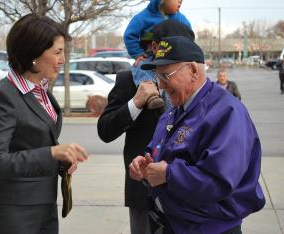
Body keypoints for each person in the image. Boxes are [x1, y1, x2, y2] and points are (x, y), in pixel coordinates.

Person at [129, 36, 266, 234]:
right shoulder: (174, 111)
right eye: (158, 77)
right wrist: (145, 168)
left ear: (193, 70)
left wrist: (168, 174)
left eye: (166, 76)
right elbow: (158, 151)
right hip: (172, 222)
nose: (161, 85)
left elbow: (219, 180)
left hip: (209, 228)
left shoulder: (226, 112)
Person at [0, 14, 88, 234]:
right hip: (12, 216)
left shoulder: (42, 90)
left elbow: (32, 145)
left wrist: (60, 161)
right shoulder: (3, 96)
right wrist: (51, 153)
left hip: (44, 209)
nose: (63, 60)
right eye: (57, 52)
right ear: (33, 54)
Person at [97, 20, 195, 234]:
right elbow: (105, 131)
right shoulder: (129, 80)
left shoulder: (196, 85)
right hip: (143, 192)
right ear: (154, 47)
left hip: (186, 194)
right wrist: (136, 102)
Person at [124, 0, 191, 109]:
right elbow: (130, 35)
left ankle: (173, 108)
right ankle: (151, 95)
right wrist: (138, 53)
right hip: (151, 55)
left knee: (172, 80)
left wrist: (186, 52)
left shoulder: (180, 18)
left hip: (173, 56)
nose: (180, 1)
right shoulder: (143, 17)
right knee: (141, 66)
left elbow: (188, 34)